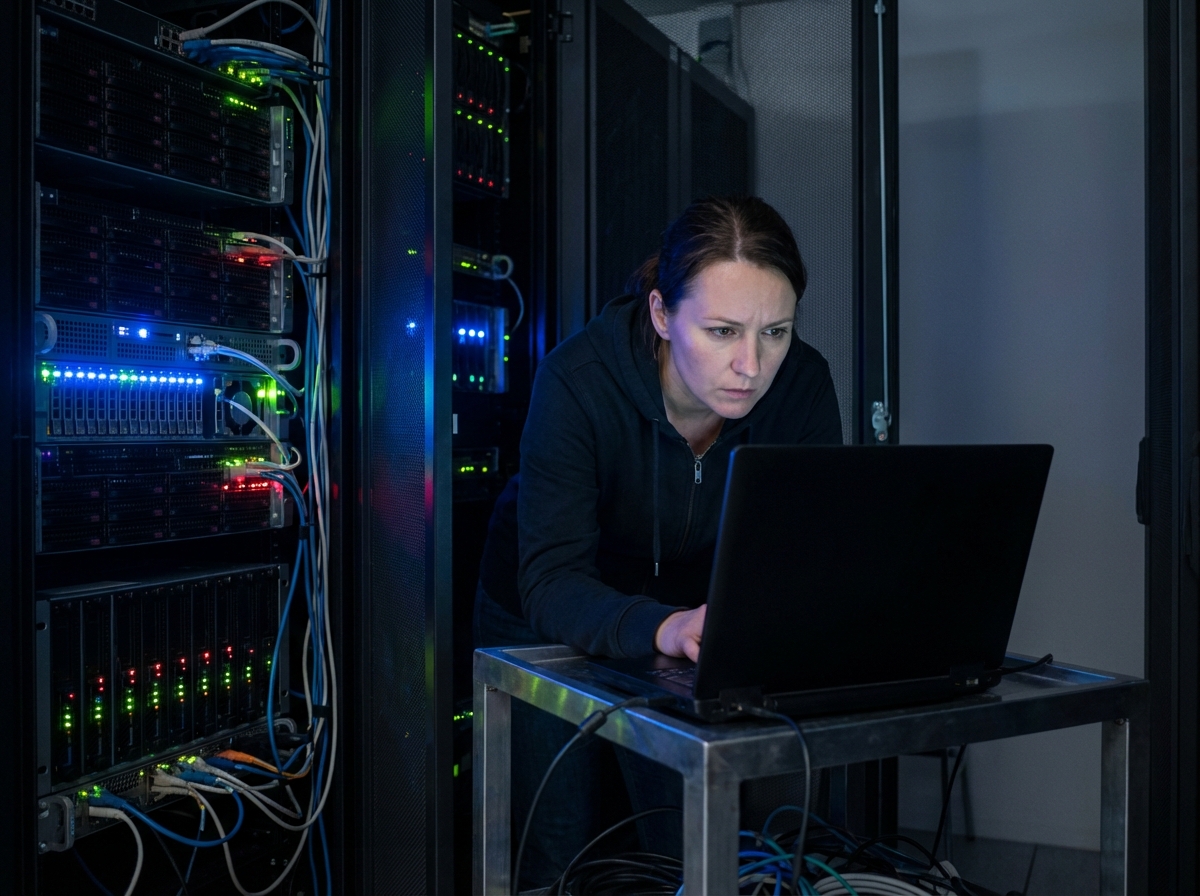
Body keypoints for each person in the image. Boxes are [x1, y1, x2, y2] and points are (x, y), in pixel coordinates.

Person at [474, 195, 843, 890]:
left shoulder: (803, 386)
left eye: (776, 333)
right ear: (661, 315)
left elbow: (805, 552)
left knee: (682, 844)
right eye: (724, 331)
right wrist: (661, 624)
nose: (752, 365)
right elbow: (551, 577)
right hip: (543, 609)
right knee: (554, 843)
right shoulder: (577, 381)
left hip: (693, 617)